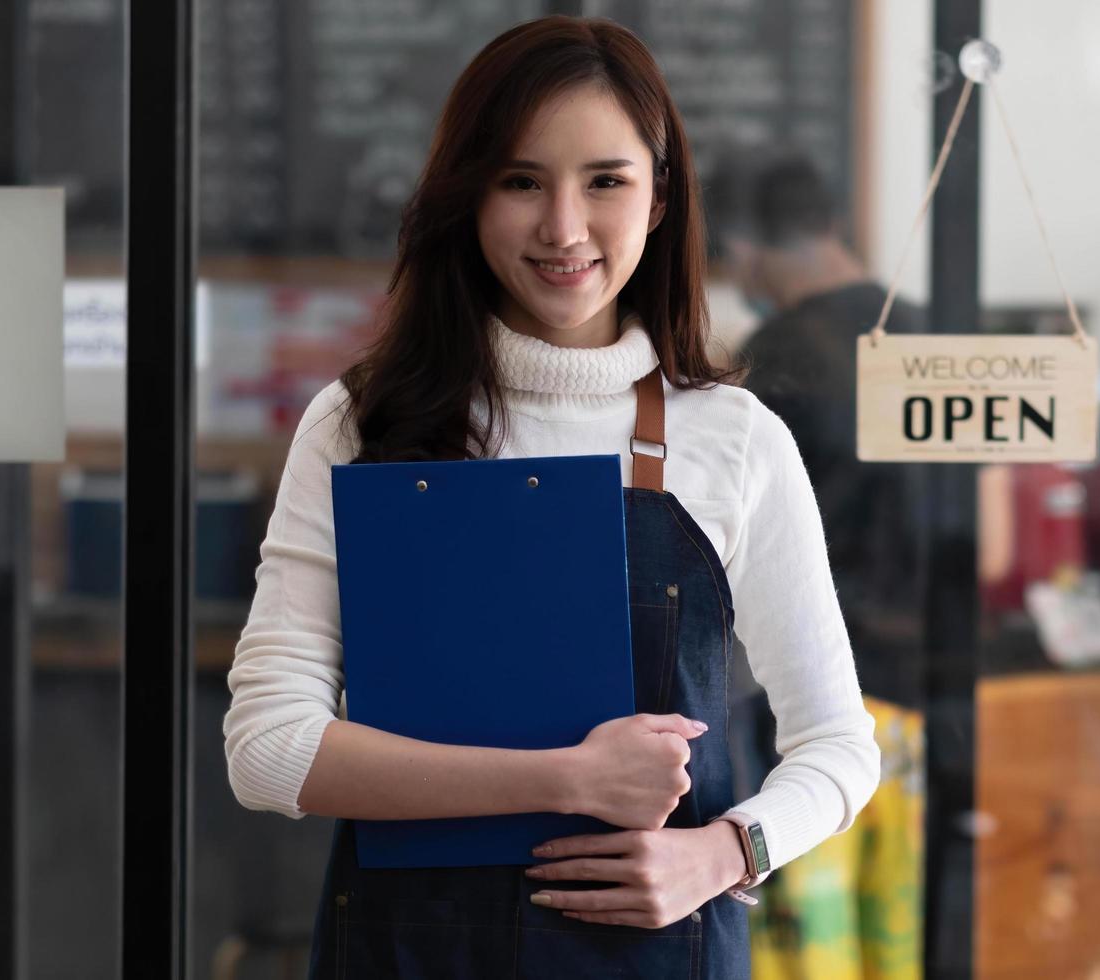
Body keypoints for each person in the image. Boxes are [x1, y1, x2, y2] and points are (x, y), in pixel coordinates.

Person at [220, 19, 880, 979]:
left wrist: (723, 852)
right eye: (522, 180)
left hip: (657, 952)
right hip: (404, 953)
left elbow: (838, 746)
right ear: (468, 196)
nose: (564, 228)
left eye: (605, 181)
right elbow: (267, 751)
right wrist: (568, 778)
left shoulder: (733, 439)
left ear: (660, 199)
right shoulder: (360, 425)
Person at [714, 155, 926, 980]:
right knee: (902, 938)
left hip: (808, 708)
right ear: (834, 223)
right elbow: (1000, 541)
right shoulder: (934, 328)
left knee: (810, 951)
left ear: (742, 247)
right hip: (927, 693)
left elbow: (738, 549)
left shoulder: (777, 356)